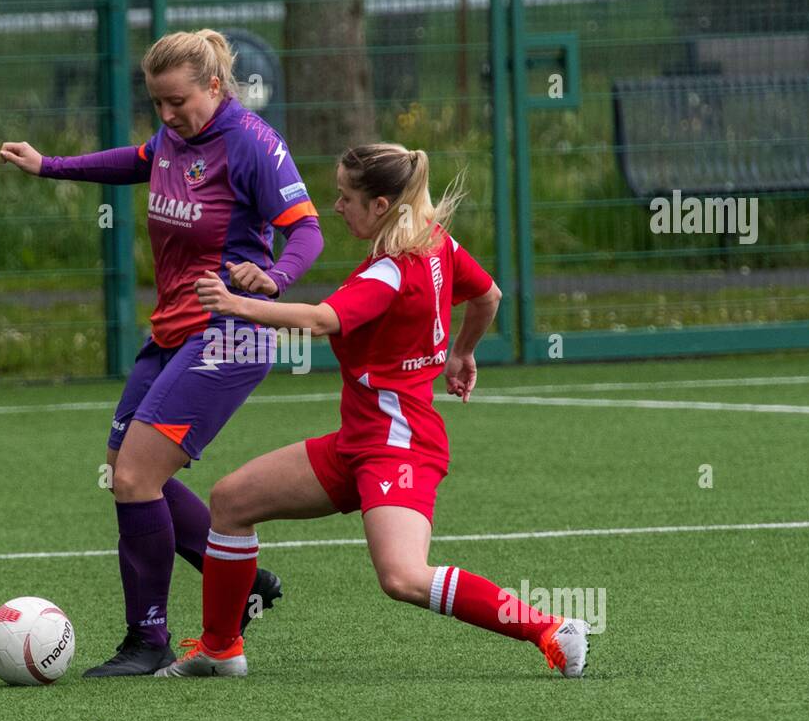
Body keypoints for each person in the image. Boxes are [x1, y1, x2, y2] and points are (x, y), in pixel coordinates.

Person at [155, 143, 591, 678]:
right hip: (359, 440)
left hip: (397, 445)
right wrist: (462, 353)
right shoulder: (438, 245)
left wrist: (238, 305)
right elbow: (490, 296)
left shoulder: (389, 272)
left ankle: (550, 629)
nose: (337, 207)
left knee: (403, 577)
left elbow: (319, 321)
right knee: (230, 501)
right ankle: (221, 649)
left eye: (345, 197)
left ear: (380, 205)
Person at [0, 29, 323, 676]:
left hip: (231, 330)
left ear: (214, 85)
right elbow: (138, 159)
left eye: (177, 101)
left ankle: (148, 641)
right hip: (175, 326)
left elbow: (306, 230)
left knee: (134, 478)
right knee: (124, 461)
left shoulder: (254, 144)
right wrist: (51, 166)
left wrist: (274, 278)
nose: (167, 116)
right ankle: (243, 578)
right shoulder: (175, 135)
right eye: (158, 103)